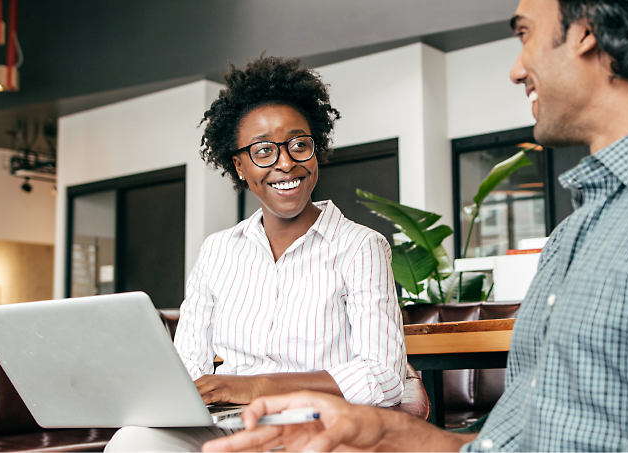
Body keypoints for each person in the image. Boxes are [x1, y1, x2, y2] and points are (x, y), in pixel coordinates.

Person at [202, 0, 628, 452]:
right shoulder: (582, 231)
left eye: (526, 32)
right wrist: (399, 438)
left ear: (587, 31)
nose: (516, 67)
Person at [104, 56, 406, 452]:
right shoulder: (218, 251)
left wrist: (254, 386)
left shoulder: (360, 246)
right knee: (134, 442)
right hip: (227, 426)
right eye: (264, 151)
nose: (286, 163)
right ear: (240, 165)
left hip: (315, 428)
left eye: (299, 145)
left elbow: (381, 376)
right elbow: (189, 367)